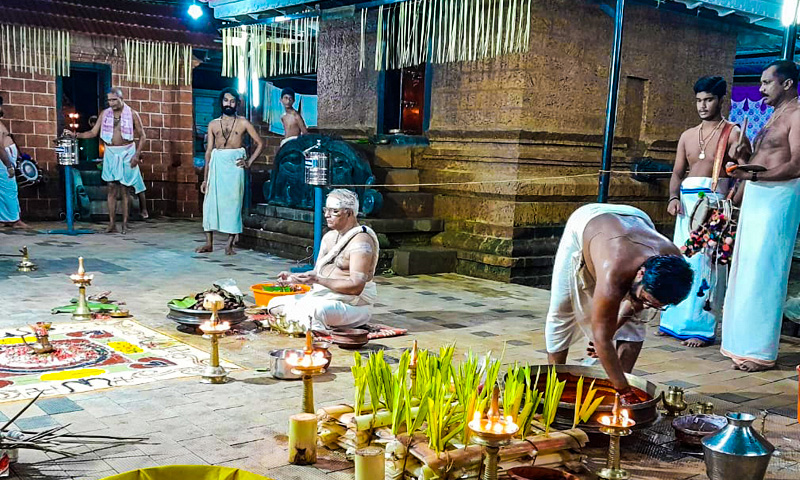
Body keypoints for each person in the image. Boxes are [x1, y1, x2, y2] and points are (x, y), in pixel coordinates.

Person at [545, 204, 693, 402]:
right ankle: (556, 383)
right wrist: (626, 392)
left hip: (637, 218)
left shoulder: (673, 264)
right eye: (646, 299)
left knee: (635, 325)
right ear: (640, 274)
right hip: (587, 222)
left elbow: (637, 305)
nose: (645, 305)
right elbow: (601, 339)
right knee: (562, 308)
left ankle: (615, 388)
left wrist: (614, 326)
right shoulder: (613, 270)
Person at [657, 76, 749, 347]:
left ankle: (700, 328)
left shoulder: (732, 133)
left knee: (707, 265)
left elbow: (744, 174)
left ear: (722, 100)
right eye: (699, 100)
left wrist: (730, 205)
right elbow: (676, 173)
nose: (703, 105)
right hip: (686, 207)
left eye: (708, 99)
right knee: (681, 259)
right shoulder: (687, 135)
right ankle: (671, 321)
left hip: (714, 207)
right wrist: (673, 197)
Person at [722, 60, 800, 372]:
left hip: (779, 196)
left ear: (788, 84)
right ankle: (738, 344)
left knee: (766, 268)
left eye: (767, 82)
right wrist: (742, 156)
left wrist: (755, 178)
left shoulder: (797, 114)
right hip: (759, 193)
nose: (761, 88)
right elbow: (758, 159)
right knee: (746, 266)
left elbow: (796, 165)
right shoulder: (773, 115)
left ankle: (759, 350)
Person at [268, 189, 379, 331]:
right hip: (323, 297)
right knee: (274, 304)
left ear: (349, 213)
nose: (327, 215)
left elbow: (356, 287)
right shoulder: (329, 237)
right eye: (326, 210)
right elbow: (317, 274)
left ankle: (317, 330)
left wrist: (318, 280)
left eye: (334, 211)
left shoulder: (361, 242)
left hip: (353, 305)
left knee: (315, 312)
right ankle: (311, 323)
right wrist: (295, 279)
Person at [68, 87, 146, 234]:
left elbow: (143, 136)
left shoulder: (133, 114)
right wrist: (75, 135)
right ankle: (111, 224)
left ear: (122, 99)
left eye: (114, 100)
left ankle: (124, 223)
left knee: (124, 189)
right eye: (109, 100)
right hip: (110, 152)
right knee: (111, 187)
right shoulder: (105, 114)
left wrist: (136, 155)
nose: (111, 103)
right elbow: (93, 132)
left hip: (127, 152)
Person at [196, 88, 264, 255]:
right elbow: (209, 151)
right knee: (210, 203)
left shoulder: (243, 123)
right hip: (217, 163)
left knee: (234, 203)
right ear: (221, 102)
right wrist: (205, 179)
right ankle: (209, 243)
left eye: (232, 101)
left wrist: (248, 162)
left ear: (237, 104)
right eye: (226, 100)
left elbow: (260, 144)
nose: (229, 104)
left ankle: (229, 244)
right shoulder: (213, 124)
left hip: (235, 165)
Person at [87, 115, 148, 220]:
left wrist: (136, 155)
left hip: (128, 158)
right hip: (116, 160)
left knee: (138, 185)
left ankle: (144, 210)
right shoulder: (105, 134)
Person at [0, 96, 27, 229]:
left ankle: (5, 219)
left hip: (6, 159)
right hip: (3, 162)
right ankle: (14, 220)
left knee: (6, 190)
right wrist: (9, 165)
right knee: (9, 189)